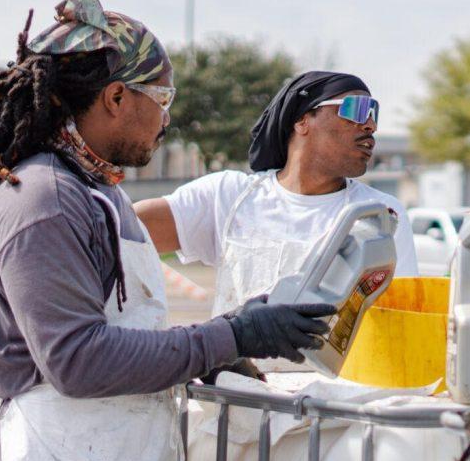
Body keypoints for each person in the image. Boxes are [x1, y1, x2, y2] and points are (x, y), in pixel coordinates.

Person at [0, 0, 337, 461]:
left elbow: (117, 332)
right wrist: (230, 335)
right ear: (114, 97)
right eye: (162, 95)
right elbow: (77, 360)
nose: (166, 117)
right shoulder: (45, 201)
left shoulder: (90, 190)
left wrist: (209, 353)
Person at [135, 70, 418, 322]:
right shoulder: (230, 197)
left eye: (374, 113)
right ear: (303, 120)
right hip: (235, 380)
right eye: (357, 109)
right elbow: (118, 229)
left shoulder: (380, 215)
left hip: (335, 382)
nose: (370, 125)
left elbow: (401, 319)